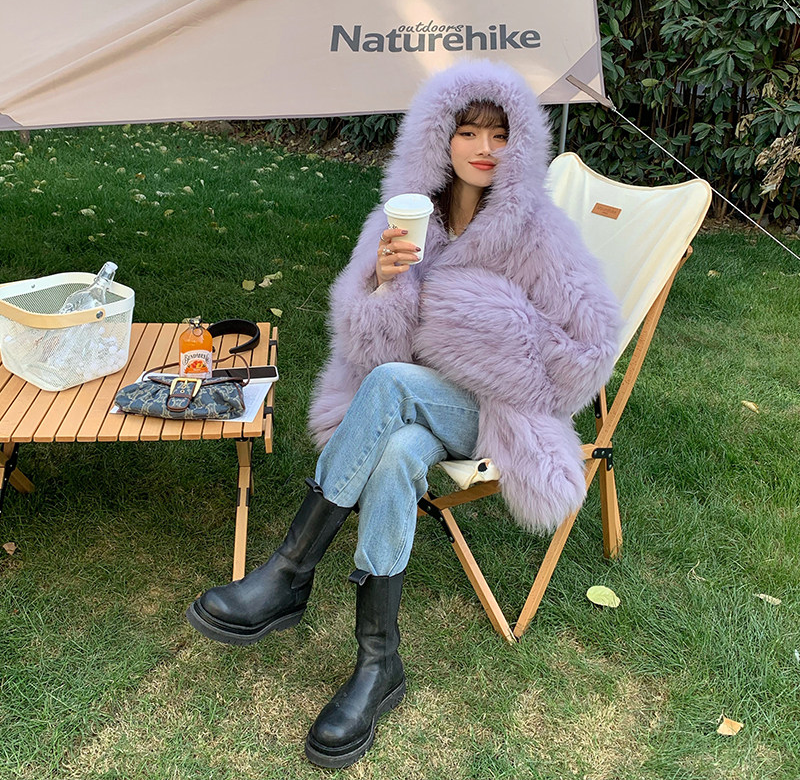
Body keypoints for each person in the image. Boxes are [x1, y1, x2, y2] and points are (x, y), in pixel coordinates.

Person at [186, 60, 621, 769]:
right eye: (468, 131)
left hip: (496, 411)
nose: (484, 147)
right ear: (438, 137)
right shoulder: (401, 218)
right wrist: (385, 288)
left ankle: (291, 570)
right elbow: (364, 349)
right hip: (408, 408)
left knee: (391, 386)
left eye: (500, 134)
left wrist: (474, 321)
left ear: (521, 144)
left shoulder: (540, 232)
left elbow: (590, 353)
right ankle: (378, 663)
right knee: (392, 450)